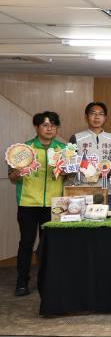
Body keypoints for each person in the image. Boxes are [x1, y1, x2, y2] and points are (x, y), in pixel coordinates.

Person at [8, 111, 66, 297]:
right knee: (26, 242)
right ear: (36, 127)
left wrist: (67, 171)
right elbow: (12, 177)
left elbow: (70, 175)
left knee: (50, 245)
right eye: (45, 125)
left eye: (53, 125)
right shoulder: (24, 149)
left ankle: (48, 281)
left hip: (54, 204)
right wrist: (18, 172)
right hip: (28, 203)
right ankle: (22, 282)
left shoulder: (63, 149)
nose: (50, 129)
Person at [69, 102, 111, 182]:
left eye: (100, 114)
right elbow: (70, 162)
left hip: (106, 185)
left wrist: (109, 171)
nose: (97, 117)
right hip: (83, 184)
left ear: (105, 118)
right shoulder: (76, 138)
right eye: (93, 114)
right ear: (86, 117)